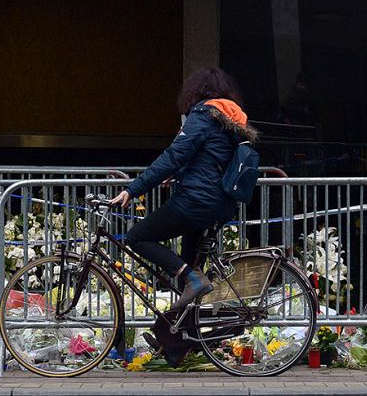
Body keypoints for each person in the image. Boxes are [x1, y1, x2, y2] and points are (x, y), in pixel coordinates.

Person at [109, 67, 257, 311]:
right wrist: (179, 175)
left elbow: (174, 156)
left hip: (196, 202)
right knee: (187, 269)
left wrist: (133, 189)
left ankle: (194, 280)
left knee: (137, 237)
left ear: (195, 92)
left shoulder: (203, 115)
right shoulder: (232, 121)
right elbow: (211, 159)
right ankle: (180, 331)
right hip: (222, 203)